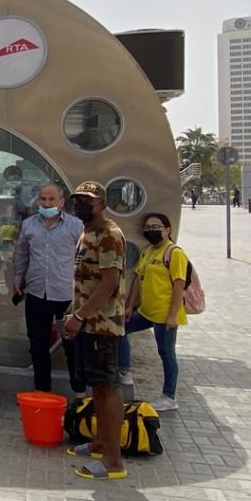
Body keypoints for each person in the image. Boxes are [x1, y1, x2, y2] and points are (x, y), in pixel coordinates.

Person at [62, 181, 128, 480]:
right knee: (97, 386)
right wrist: (74, 312)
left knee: (108, 387)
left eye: (88, 200)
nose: (81, 205)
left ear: (102, 202)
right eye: (78, 200)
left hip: (102, 324)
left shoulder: (109, 235)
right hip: (89, 321)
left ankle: (114, 460)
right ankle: (101, 441)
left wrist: (80, 315)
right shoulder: (88, 232)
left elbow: (109, 282)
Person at [13, 183, 85, 396]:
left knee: (72, 346)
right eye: (43, 199)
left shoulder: (76, 226)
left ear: (61, 202)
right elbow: (22, 254)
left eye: (51, 200)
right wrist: (18, 279)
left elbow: (86, 258)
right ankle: (42, 392)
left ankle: (79, 393)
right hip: (36, 294)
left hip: (66, 296)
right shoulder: (28, 225)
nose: (47, 203)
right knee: (38, 346)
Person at [118, 213, 187, 412]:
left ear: (168, 229)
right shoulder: (148, 251)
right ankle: (124, 368)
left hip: (165, 315)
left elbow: (179, 286)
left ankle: (169, 396)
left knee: (166, 352)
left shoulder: (174, 253)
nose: (152, 230)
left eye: (156, 226)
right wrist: (130, 307)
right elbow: (137, 281)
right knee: (121, 327)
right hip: (147, 312)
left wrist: (172, 316)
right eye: (148, 227)